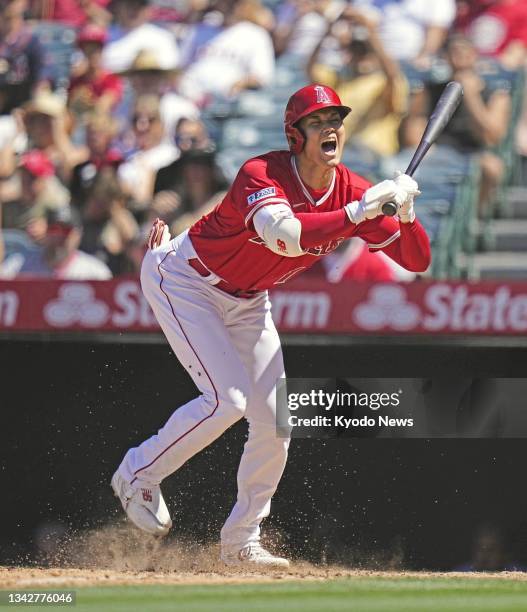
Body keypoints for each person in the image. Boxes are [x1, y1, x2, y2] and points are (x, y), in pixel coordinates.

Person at [111, 84, 430, 568]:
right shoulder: (262, 173)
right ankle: (136, 474)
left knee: (274, 421)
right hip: (186, 280)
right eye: (318, 121)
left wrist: (406, 216)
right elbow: (286, 238)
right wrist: (362, 212)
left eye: (336, 119)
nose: (331, 128)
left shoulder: (352, 189)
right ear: (294, 134)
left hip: (247, 299)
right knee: (227, 401)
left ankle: (241, 540)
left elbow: (418, 259)